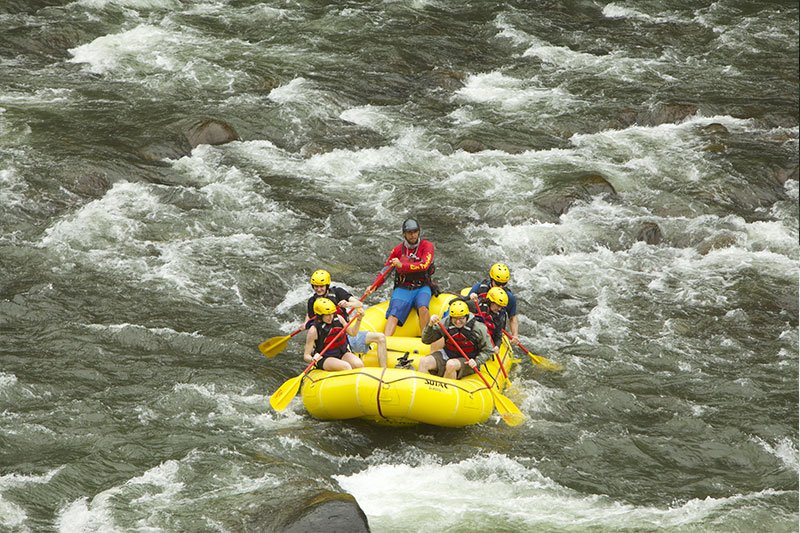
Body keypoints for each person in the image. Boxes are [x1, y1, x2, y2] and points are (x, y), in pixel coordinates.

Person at [365, 218, 437, 337]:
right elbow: (386, 270)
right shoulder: (397, 250)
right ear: (404, 234)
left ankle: (426, 338)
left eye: (415, 232)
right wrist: (374, 286)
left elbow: (424, 265)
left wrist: (402, 265)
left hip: (422, 287)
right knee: (394, 313)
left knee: (423, 307)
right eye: (410, 232)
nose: (413, 235)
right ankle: (385, 341)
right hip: (404, 287)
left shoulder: (427, 246)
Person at [305, 269, 388, 368]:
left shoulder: (338, 296)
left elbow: (359, 304)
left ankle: (384, 372)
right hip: (328, 342)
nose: (318, 289)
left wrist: (348, 304)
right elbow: (311, 322)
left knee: (380, 338)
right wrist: (306, 325)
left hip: (344, 334)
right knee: (346, 365)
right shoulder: (312, 302)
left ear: (327, 285)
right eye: (316, 286)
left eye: (321, 286)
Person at [418, 300, 493, 380]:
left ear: (466, 316)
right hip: (448, 354)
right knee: (424, 361)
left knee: (451, 364)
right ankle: (419, 390)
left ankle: (445, 391)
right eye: (455, 318)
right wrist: (430, 325)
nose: (457, 322)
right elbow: (426, 340)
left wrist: (477, 361)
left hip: (468, 360)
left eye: (461, 318)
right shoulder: (446, 322)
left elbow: (488, 350)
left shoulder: (478, 328)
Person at [303, 298, 365, 371]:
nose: (331, 317)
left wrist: (359, 320)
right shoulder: (314, 330)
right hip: (325, 358)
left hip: (342, 353)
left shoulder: (339, 318)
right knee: (346, 367)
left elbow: (353, 333)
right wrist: (312, 359)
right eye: (327, 315)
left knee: (359, 364)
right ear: (320, 315)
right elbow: (306, 355)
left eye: (332, 313)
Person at [469, 263, 520, 345]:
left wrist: (515, 335)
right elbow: (466, 304)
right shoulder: (479, 287)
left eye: (503, 284)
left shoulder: (509, 297)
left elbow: (513, 317)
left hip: (495, 329)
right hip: (477, 324)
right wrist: (471, 297)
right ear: (491, 279)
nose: (500, 287)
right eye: (497, 283)